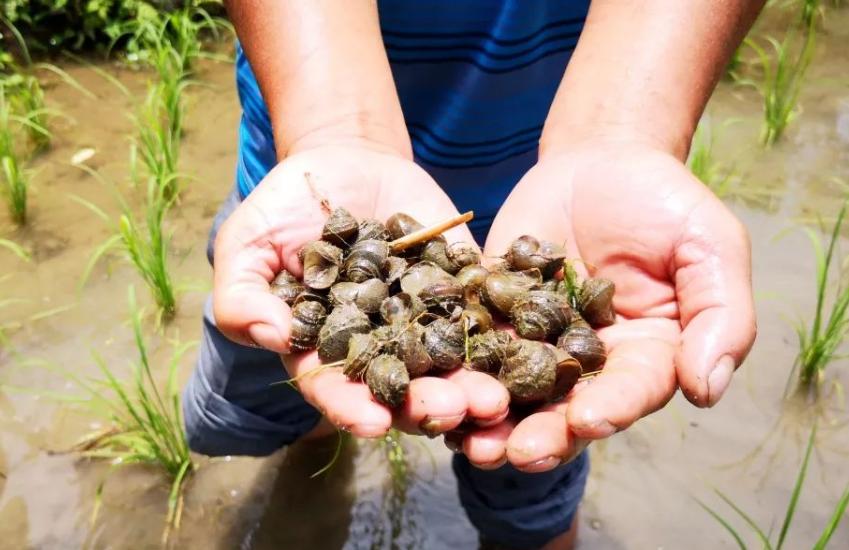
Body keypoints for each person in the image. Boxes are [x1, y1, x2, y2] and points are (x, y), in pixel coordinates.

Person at [183, 1, 761, 548]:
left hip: (564, 194)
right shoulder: (337, 262)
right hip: (304, 181)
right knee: (300, 392)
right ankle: (317, 453)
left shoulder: (529, 303)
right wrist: (332, 129)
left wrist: (626, 132)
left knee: (530, 488)